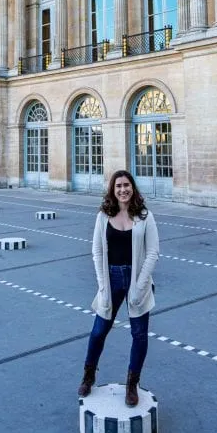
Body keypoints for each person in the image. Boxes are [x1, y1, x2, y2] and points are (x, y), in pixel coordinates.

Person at [78, 170, 160, 408]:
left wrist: (140, 285)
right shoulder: (104, 216)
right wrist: (103, 286)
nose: (123, 190)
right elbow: (96, 252)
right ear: (112, 191)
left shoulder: (145, 216)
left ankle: (132, 383)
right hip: (111, 277)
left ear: (133, 188)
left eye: (126, 185)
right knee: (98, 331)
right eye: (118, 186)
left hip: (138, 279)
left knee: (139, 335)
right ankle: (89, 374)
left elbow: (153, 253)